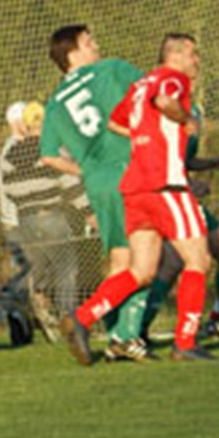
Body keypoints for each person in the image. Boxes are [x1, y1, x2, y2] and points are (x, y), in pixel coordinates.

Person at [60, 33, 215, 364]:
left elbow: (117, 123)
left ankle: (83, 319)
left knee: (140, 271)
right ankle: (185, 343)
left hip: (135, 188)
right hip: (166, 184)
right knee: (198, 260)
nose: (197, 61)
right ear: (178, 54)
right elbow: (164, 101)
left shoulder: (140, 84)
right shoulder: (171, 78)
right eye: (194, 54)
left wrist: (148, 135)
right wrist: (187, 120)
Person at [39, 24, 149, 361]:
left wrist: (85, 169)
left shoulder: (55, 103)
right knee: (149, 257)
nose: (96, 46)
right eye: (89, 42)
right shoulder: (111, 69)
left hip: (99, 181)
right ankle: (103, 326)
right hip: (132, 169)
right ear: (72, 54)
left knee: (121, 260)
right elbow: (150, 95)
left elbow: (47, 155)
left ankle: (119, 338)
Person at [139, 103, 219, 343]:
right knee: (171, 265)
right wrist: (188, 186)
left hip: (187, 200)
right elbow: (160, 167)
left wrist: (215, 163)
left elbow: (185, 162)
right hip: (169, 200)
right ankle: (139, 329)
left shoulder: (189, 110)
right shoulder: (160, 123)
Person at [0, 101, 87, 318]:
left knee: (37, 269)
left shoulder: (11, 154)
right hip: (51, 215)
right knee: (66, 268)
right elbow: (70, 182)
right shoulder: (53, 149)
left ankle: (34, 310)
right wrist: (87, 210)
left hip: (26, 219)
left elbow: (8, 189)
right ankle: (69, 317)